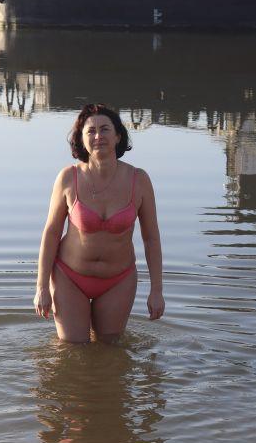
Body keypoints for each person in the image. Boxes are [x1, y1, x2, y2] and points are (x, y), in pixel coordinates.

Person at [34, 104, 165, 343]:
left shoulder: (139, 180)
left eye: (105, 129)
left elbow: (151, 238)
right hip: (69, 276)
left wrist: (157, 291)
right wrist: (42, 287)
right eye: (90, 131)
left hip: (118, 280)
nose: (98, 136)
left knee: (110, 350)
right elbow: (51, 233)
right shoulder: (68, 178)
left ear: (118, 136)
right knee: (72, 351)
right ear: (81, 140)